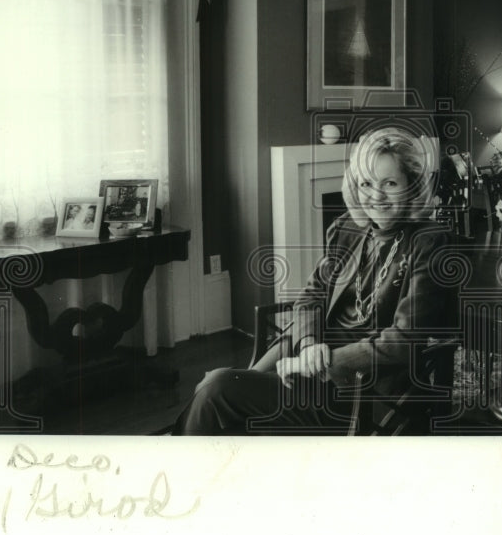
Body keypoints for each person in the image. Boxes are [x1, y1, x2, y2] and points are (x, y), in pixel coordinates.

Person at [175, 125, 454, 435]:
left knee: (217, 390)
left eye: (390, 183)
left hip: (362, 387)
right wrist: (309, 345)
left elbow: (405, 340)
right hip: (309, 361)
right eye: (366, 183)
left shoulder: (429, 241)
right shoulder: (347, 228)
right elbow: (311, 296)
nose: (376, 196)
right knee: (215, 386)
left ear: (412, 186)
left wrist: (324, 361)